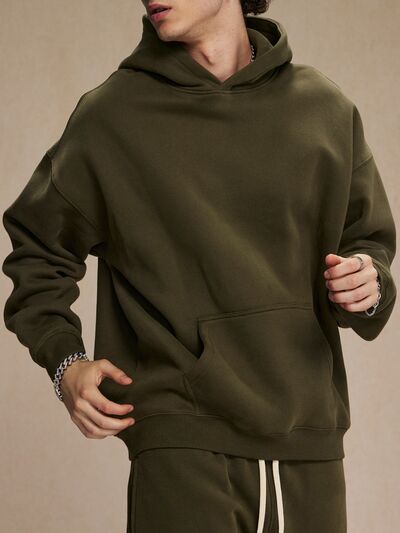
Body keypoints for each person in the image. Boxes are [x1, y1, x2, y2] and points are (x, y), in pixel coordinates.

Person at [2, 1, 397, 532]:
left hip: (312, 445)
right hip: (181, 446)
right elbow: (36, 250)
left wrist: (368, 282)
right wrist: (64, 363)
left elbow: (368, 242)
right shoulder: (112, 117)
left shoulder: (324, 110)